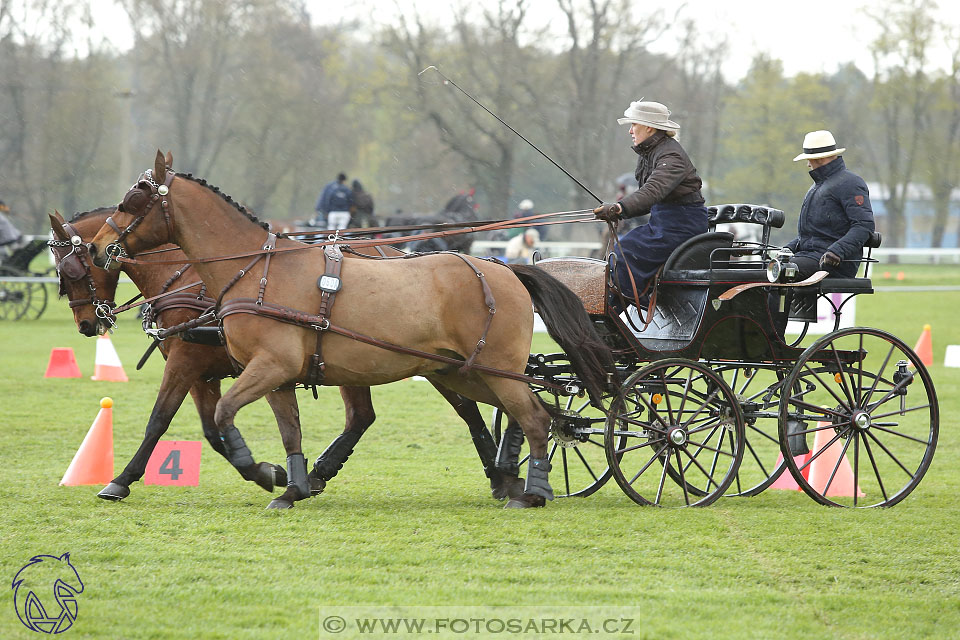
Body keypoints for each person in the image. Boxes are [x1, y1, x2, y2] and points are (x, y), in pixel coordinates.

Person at [593, 100, 708, 311]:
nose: (630, 131)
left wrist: (619, 208)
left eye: (633, 125)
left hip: (682, 228)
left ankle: (632, 304)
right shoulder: (651, 152)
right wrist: (620, 211)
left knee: (624, 253)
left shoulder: (671, 155)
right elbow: (650, 198)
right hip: (663, 225)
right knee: (617, 252)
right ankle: (617, 308)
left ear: (649, 127)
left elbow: (652, 191)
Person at [787, 130, 875, 278]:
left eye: (809, 159)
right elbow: (814, 235)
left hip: (835, 262)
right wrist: (788, 249)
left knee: (777, 272)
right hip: (811, 257)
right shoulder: (819, 187)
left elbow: (864, 225)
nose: (808, 164)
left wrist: (836, 251)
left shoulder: (850, 183)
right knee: (768, 268)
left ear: (819, 159)